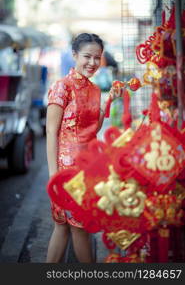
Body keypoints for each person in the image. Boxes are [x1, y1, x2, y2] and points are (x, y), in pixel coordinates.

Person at [46, 33, 122, 263]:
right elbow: (51, 131)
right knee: (73, 227)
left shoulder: (94, 89)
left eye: (97, 58)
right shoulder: (62, 87)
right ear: (74, 55)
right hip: (65, 171)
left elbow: (93, 129)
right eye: (87, 56)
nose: (92, 62)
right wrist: (53, 174)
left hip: (87, 168)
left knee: (68, 227)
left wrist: (108, 102)